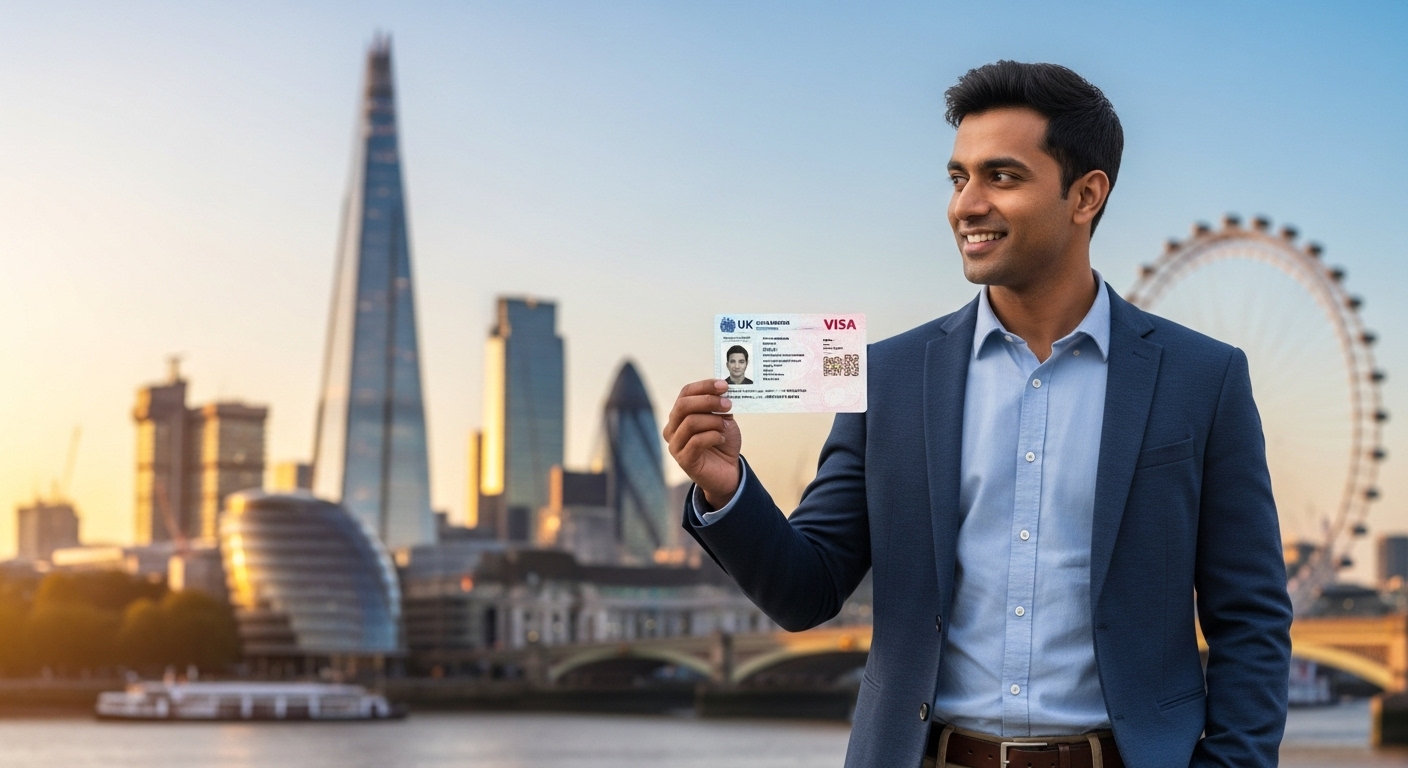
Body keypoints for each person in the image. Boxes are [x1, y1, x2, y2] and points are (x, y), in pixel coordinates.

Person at [664, 61, 1291, 768]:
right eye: (959, 178)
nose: (967, 205)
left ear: (1086, 195)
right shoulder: (886, 377)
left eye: (1002, 176)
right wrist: (726, 487)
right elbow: (806, 591)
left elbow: (1253, 622)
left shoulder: (1203, 379)